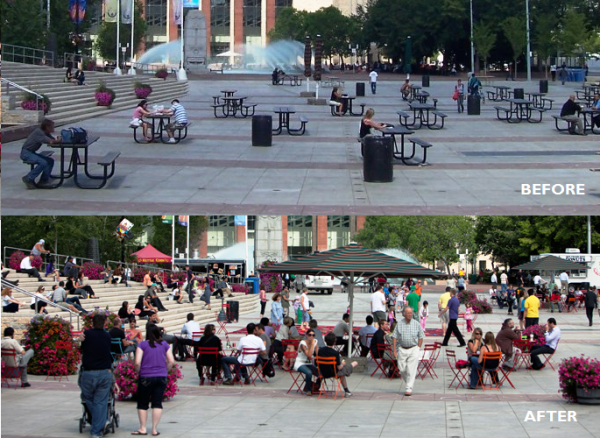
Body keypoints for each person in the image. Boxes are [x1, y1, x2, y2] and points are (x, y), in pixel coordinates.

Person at [133, 325, 175, 436]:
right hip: (161, 376)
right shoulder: (164, 344)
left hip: (146, 376)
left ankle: (143, 428)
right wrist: (165, 371)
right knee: (157, 403)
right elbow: (171, 361)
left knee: (143, 402)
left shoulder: (142, 345)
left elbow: (137, 362)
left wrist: (139, 372)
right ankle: (154, 429)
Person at [79, 313, 113, 438]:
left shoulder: (86, 335)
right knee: (101, 402)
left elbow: (81, 348)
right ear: (104, 323)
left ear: (92, 323)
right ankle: (97, 428)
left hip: (88, 372)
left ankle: (97, 423)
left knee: (88, 399)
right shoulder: (107, 336)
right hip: (104, 372)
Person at [391, 307, 425, 396]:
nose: (410, 315)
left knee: (411, 369)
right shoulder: (400, 324)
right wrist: (394, 349)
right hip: (402, 348)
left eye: (411, 313)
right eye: (408, 313)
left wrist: (418, 347)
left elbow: (421, 336)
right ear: (404, 314)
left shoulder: (416, 324)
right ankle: (409, 382)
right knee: (401, 368)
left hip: (413, 348)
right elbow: (394, 337)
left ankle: (408, 388)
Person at [20, 119, 62, 189]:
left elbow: (52, 141)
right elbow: (51, 141)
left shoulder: (45, 133)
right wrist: (57, 140)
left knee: (50, 161)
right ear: (47, 127)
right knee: (43, 162)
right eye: (52, 127)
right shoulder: (39, 132)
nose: (53, 128)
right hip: (26, 153)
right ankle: (28, 178)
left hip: (31, 152)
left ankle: (43, 180)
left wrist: (58, 140)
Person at [317, 332, 358, 397]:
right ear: (334, 342)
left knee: (343, 372)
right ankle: (346, 391)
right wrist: (343, 364)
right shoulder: (335, 353)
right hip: (334, 372)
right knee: (354, 363)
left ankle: (347, 391)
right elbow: (339, 368)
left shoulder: (320, 351)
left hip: (323, 372)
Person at [293, 328, 319, 396]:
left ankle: (316, 387)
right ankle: (308, 389)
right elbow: (309, 355)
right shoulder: (303, 343)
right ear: (306, 335)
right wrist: (312, 344)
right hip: (300, 363)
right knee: (309, 372)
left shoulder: (315, 341)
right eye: (310, 335)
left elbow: (318, 354)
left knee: (321, 373)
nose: (311, 337)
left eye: (313, 335)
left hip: (309, 363)